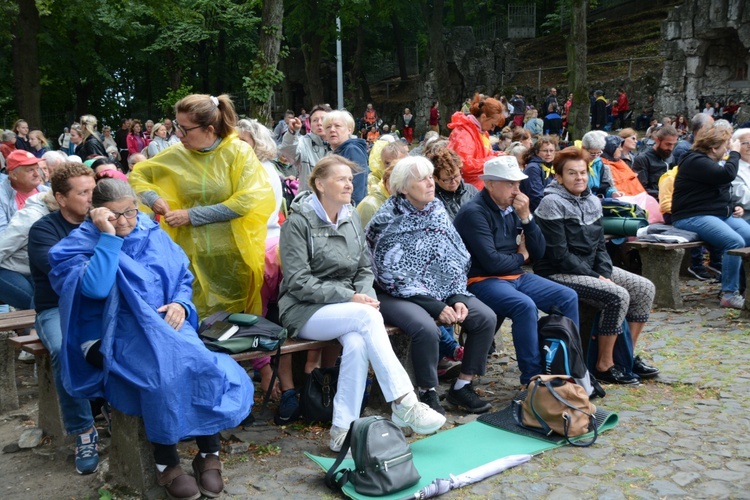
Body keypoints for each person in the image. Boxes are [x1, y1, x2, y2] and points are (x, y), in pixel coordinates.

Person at [49, 179, 252, 499]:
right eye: (115, 215)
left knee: (202, 362)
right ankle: (166, 462)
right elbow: (96, 289)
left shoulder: (151, 232)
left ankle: (207, 452)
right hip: (106, 335)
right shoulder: (75, 247)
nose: (126, 221)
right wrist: (108, 237)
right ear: (96, 212)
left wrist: (181, 305)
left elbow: (181, 277)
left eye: (131, 212)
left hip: (163, 325)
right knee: (160, 376)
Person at [278, 155, 446, 451]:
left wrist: (364, 295)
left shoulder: (351, 215)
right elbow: (298, 282)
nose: (348, 184)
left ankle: (342, 430)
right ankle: (404, 401)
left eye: (349, 178)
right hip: (303, 310)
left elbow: (363, 269)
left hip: (348, 309)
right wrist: (352, 298)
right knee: (365, 319)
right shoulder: (298, 222)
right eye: (340, 178)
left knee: (357, 343)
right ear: (320, 184)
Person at [366, 156, 496, 414]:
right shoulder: (386, 219)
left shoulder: (435, 209)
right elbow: (389, 273)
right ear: (403, 187)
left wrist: (457, 294)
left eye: (430, 177)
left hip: (441, 288)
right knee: (425, 327)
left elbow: (454, 256)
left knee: (485, 317)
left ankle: (462, 387)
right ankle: (427, 393)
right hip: (393, 294)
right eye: (422, 178)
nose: (430, 183)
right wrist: (435, 306)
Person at [129, 94, 275, 317]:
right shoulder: (177, 153)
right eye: (177, 126)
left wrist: (191, 215)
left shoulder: (238, 152)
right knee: (191, 319)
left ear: (209, 128)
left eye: (185, 129)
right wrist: (153, 199)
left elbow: (246, 201)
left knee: (230, 327)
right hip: (188, 257)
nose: (178, 134)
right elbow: (138, 175)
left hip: (232, 259)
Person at [534, 146, 658, 384]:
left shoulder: (592, 200)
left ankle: (626, 357)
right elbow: (559, 254)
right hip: (557, 272)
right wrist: (595, 276)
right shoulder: (551, 203)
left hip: (590, 269)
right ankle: (604, 364)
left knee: (644, 288)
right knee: (616, 295)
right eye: (572, 173)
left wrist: (602, 271)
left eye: (582, 172)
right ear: (559, 177)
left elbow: (600, 245)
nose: (579, 177)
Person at [453, 156, 579, 387]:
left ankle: (570, 366)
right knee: (524, 306)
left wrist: (527, 219)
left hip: (514, 276)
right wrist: (521, 256)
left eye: (518, 184)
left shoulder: (512, 209)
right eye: (510, 184)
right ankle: (532, 378)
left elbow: (539, 252)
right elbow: (491, 262)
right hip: (481, 280)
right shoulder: (474, 212)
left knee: (567, 296)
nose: (516, 190)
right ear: (490, 183)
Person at [27, 163, 99, 475]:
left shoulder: (105, 220)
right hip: (55, 308)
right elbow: (63, 274)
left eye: (93, 191)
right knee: (62, 348)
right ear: (61, 198)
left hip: (99, 305)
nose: (91, 199)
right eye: (83, 193)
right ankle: (84, 432)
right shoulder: (44, 230)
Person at [671, 126, 749, 309]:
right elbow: (726, 176)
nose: (727, 151)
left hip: (715, 214)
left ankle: (744, 287)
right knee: (734, 242)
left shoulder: (710, 162)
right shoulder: (694, 160)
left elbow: (718, 192)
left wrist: (733, 207)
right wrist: (736, 154)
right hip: (690, 216)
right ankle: (729, 293)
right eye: (725, 147)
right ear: (714, 148)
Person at [446, 93, 504, 190]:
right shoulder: (464, 133)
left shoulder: (481, 132)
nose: (492, 129)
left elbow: (483, 157)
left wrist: (496, 156)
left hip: (479, 184)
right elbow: (464, 165)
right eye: (492, 124)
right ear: (484, 117)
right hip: (468, 188)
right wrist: (493, 160)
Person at [280, 103, 332, 192]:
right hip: (307, 201)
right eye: (315, 120)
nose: (319, 123)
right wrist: (292, 132)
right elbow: (287, 150)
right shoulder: (303, 142)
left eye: (323, 119)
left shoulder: (339, 145)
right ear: (309, 124)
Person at [323, 110, 370, 205]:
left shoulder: (352, 150)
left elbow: (357, 187)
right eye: (328, 127)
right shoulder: (335, 152)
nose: (332, 130)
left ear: (349, 130)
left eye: (337, 126)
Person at [357, 141, 407, 226]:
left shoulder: (411, 200)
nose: (393, 168)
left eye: (399, 165)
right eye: (388, 163)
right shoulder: (370, 205)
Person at [1, 150, 50, 234]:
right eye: (30, 170)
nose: (37, 174)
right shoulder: (2, 197)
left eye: (37, 169)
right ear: (13, 175)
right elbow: (2, 235)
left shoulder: (47, 192)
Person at [427, 145, 478, 221]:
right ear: (435, 178)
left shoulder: (471, 191)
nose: (453, 182)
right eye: (447, 179)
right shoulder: (431, 199)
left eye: (456, 176)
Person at [632, 125, 679, 197]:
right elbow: (641, 188)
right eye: (668, 144)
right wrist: (666, 195)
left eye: (673, 144)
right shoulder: (642, 159)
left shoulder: (670, 157)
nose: (671, 148)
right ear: (657, 140)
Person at [519, 135, 558, 211]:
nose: (548, 154)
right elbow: (536, 196)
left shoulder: (552, 166)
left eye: (551, 150)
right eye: (545, 151)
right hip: (536, 212)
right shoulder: (533, 168)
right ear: (537, 152)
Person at [581, 130, 617, 198]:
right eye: (592, 153)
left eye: (599, 153)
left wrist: (612, 193)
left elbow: (605, 185)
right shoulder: (576, 163)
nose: (595, 156)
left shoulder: (599, 163)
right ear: (583, 148)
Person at [731, 128, 750, 221]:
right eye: (745, 142)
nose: (749, 145)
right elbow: (744, 199)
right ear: (736, 146)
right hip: (746, 217)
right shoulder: (733, 168)